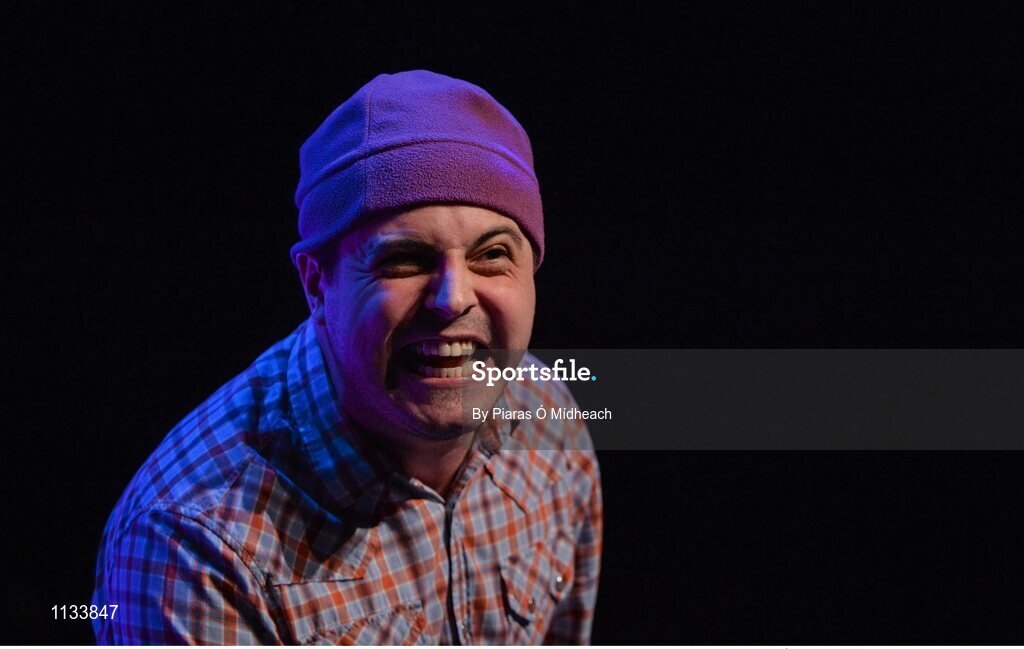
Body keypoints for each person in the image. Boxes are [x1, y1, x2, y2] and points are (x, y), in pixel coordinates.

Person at [92, 70, 602, 645]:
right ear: (316, 286)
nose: (454, 297)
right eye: (404, 260)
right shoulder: (190, 543)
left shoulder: (551, 418)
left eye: (492, 255)